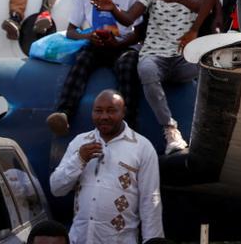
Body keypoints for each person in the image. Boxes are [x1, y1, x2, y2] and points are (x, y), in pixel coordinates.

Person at [92, 0, 208, 155]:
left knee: (210, 67)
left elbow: (203, 8)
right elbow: (129, 17)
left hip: (184, 58)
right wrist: (113, 9)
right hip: (156, 55)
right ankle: (170, 129)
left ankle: (208, 131)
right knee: (145, 68)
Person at [46, 0, 142, 137]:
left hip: (123, 46)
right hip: (97, 43)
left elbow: (138, 34)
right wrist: (88, 37)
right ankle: (64, 113)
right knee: (81, 61)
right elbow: (72, 31)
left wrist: (118, 44)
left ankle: (128, 123)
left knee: (127, 65)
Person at [49, 89, 163, 244]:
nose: (104, 117)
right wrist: (79, 159)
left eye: (111, 111)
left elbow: (150, 201)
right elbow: (56, 188)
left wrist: (152, 241)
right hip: (80, 239)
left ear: (123, 112)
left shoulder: (142, 147)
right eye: (98, 111)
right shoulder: (80, 142)